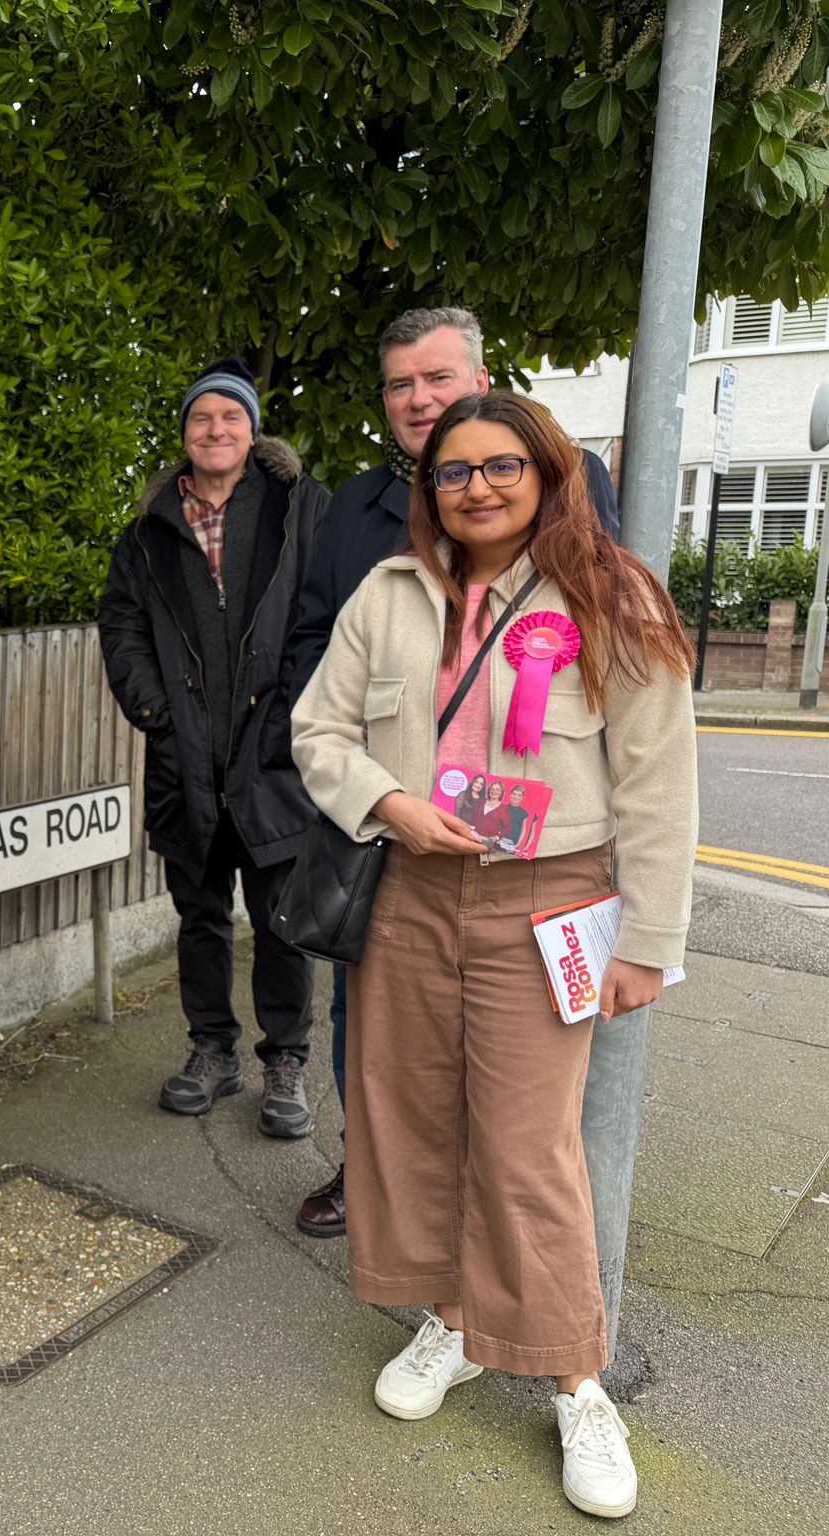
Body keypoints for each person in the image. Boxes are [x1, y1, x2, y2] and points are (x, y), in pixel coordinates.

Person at [291, 390, 695, 1521]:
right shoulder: (386, 598)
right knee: (409, 1116)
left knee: (526, 1146)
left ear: (547, 471)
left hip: (549, 900)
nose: (475, 486)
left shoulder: (613, 597)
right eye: (452, 470)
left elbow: (658, 789)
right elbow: (315, 732)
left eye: (499, 465)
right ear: (429, 489)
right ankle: (457, 1324)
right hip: (412, 888)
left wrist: (647, 943)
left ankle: (575, 1378)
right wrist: (386, 803)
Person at [283, 306, 624, 1241]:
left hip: (534, 849)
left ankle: (508, 1217)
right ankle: (374, 1168)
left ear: (478, 376)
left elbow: (604, 646)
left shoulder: (568, 479)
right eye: (400, 384)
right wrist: (366, 780)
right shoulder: (351, 508)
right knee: (380, 1039)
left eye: (437, 377)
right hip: (394, 838)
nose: (419, 397)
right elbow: (313, 650)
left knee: (523, 1077)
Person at [98, 357, 326, 1139]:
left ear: (253, 431)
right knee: (198, 916)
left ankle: (285, 1062)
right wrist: (154, 708)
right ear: (186, 435)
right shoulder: (150, 528)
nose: (216, 429)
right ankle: (212, 1050)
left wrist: (297, 713)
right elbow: (121, 625)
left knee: (282, 920)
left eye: (230, 416)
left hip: (276, 753)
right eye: (202, 419)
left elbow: (326, 617)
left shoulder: (300, 510)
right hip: (185, 757)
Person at [473, 779, 511, 844]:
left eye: (497, 790)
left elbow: (508, 827)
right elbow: (473, 817)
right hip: (474, 837)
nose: (494, 791)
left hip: (488, 841)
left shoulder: (503, 809)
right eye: (492, 789)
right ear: (489, 790)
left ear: (502, 792)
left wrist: (497, 837)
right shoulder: (481, 802)